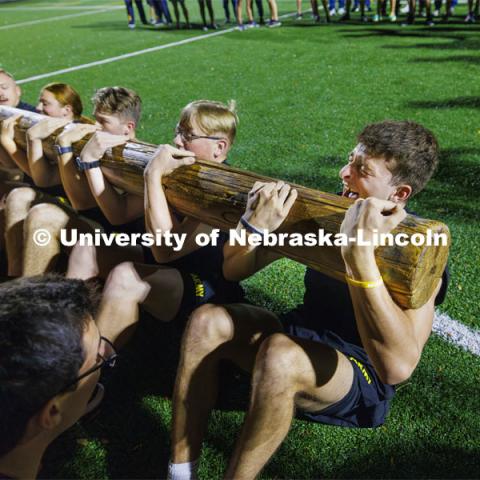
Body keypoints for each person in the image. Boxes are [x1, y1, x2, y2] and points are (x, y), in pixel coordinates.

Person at [167, 120, 449, 480]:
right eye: (350, 161)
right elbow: (234, 270)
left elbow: (397, 368)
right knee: (208, 320)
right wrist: (255, 229)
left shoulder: (416, 253)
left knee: (280, 355)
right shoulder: (324, 213)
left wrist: (359, 256)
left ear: (399, 193)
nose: (344, 173)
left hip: (357, 370)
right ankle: (179, 470)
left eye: (361, 171)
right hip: (293, 337)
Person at [90, 100, 245, 347]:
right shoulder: (182, 172)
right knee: (87, 248)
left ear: (219, 147)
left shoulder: (223, 190)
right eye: (178, 131)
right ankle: (66, 331)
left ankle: (92, 371)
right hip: (168, 274)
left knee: (125, 277)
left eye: (188, 135)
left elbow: (166, 250)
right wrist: (89, 164)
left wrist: (152, 176)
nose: (176, 141)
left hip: (206, 290)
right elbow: (118, 214)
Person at [18, 86, 146, 277]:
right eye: (96, 118)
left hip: (134, 246)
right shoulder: (99, 146)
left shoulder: (140, 160)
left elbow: (106, 213)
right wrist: (61, 146)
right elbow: (47, 180)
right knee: (23, 200)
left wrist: (78, 156)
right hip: (98, 230)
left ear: (128, 128)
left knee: (43, 215)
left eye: (104, 121)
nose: (96, 125)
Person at [2, 83, 88, 277]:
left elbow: (42, 178)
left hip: (84, 217)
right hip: (59, 203)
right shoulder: (47, 131)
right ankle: (13, 277)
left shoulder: (77, 137)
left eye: (44, 103)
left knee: (23, 199)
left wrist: (12, 142)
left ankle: (26, 287)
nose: (38, 108)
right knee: (16, 195)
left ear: (67, 110)